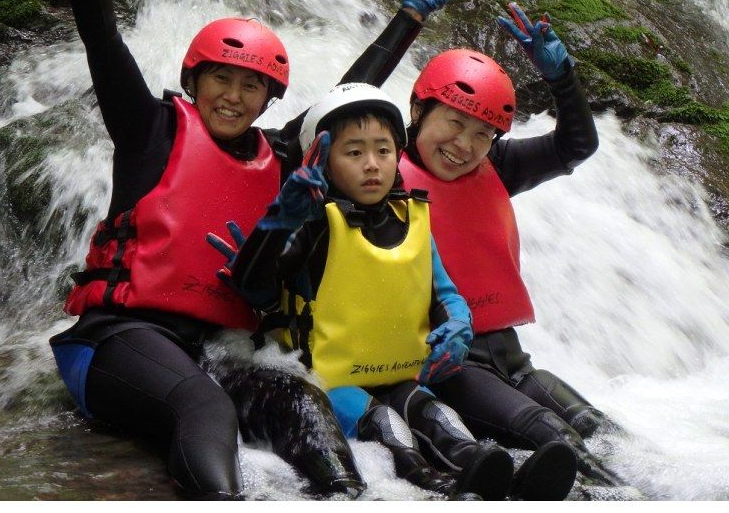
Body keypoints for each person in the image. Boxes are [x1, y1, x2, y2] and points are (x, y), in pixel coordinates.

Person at [48, 0, 469, 499]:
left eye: (252, 86)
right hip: (117, 338)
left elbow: (344, 102)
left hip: (217, 350)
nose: (233, 95)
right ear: (193, 80)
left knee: (298, 400)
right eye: (221, 77)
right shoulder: (148, 130)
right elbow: (99, 30)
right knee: (202, 407)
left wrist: (409, 16)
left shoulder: (281, 158)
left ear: (268, 99)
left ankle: (355, 494)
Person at [223, 82, 578, 500]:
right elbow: (256, 292)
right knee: (383, 424)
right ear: (324, 162)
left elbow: (443, 292)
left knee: (437, 415)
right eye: (354, 153)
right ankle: (439, 488)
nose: (372, 164)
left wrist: (459, 324)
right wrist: (276, 225)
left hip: (398, 371)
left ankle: (502, 476)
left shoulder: (412, 219)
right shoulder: (310, 224)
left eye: (384, 151)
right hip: (327, 379)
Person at [397, 1, 621, 485]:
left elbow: (575, 147)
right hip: (448, 367)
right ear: (417, 109)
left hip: (512, 357)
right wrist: (406, 20)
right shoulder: (375, 175)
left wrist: (563, 79)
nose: (464, 145)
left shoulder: (496, 166)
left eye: (482, 134)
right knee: (555, 440)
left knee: (601, 433)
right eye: (454, 123)